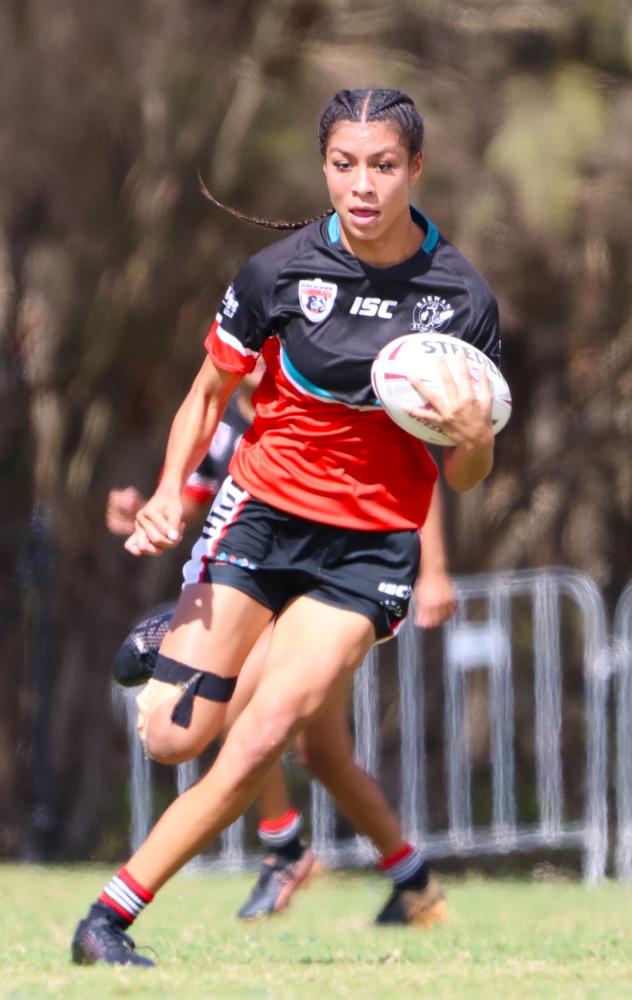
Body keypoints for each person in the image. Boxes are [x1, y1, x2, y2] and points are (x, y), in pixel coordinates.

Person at [71, 86, 499, 967]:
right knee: (170, 738)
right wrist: (165, 492)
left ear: (416, 169)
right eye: (345, 165)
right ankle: (174, 629)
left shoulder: (460, 297)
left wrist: (474, 439)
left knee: (266, 735)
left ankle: (106, 921)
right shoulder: (278, 275)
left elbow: (463, 471)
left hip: (369, 551)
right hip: (261, 519)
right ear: (325, 168)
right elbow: (207, 396)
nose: (363, 184)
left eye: (383, 166)